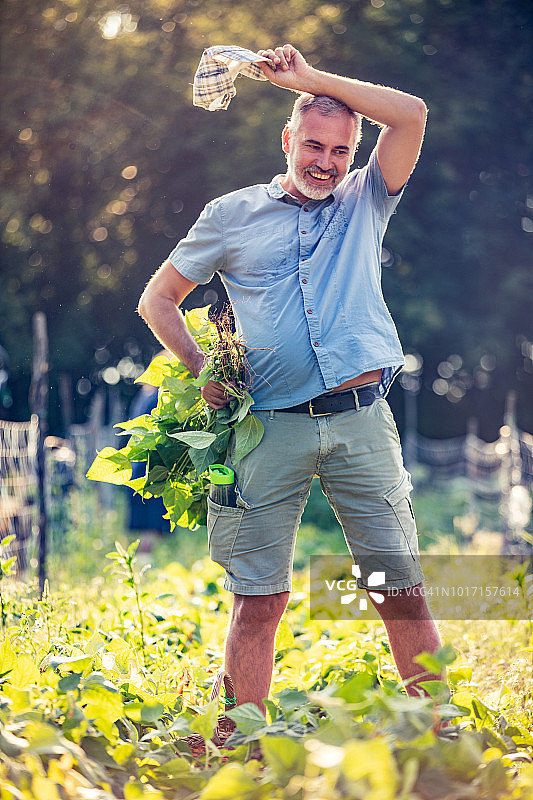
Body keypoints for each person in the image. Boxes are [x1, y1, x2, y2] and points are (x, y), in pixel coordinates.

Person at [138, 44, 443, 737]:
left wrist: (308, 81)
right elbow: (158, 299)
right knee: (259, 600)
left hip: (361, 422)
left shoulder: (366, 199)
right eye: (313, 145)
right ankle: (241, 736)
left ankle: (439, 732)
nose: (325, 163)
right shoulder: (230, 215)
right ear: (286, 139)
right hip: (267, 429)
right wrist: (200, 367)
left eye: (339, 151)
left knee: (398, 591)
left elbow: (412, 115)